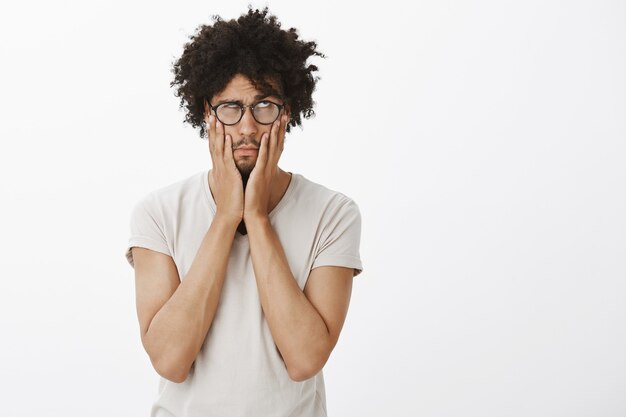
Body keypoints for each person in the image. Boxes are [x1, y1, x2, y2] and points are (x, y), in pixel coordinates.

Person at [124, 6, 363, 417]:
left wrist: (256, 218)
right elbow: (170, 360)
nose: (248, 128)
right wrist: (225, 218)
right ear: (206, 113)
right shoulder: (158, 213)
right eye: (230, 108)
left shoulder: (333, 213)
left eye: (264, 106)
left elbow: (305, 359)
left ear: (286, 113)